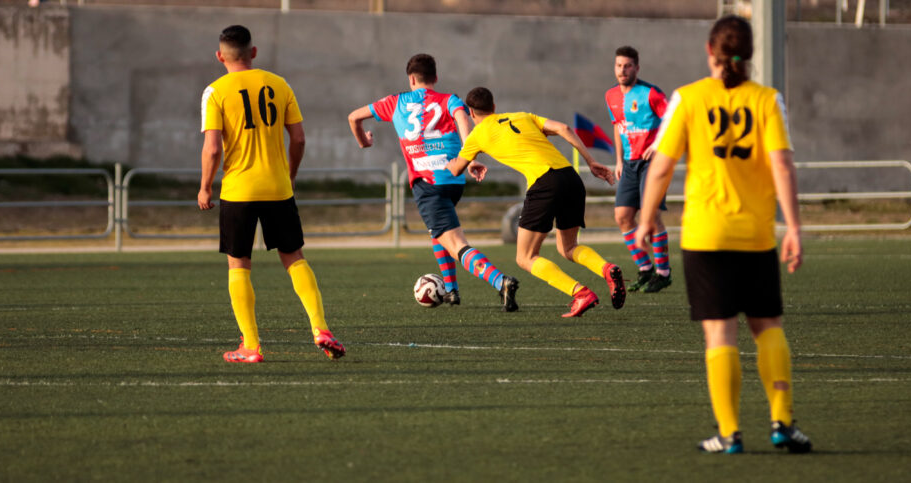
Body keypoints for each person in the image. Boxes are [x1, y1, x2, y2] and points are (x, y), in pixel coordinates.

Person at [635, 15, 812, 454]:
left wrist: (645, 218)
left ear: (709, 51)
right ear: (749, 54)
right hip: (754, 235)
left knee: (720, 335)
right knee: (767, 327)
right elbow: (782, 166)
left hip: (705, 235)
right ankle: (782, 423)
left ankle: (729, 433)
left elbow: (661, 164)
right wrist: (793, 225)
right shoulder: (769, 100)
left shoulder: (687, 98)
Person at [198, 24, 345, 363]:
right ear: (254, 52)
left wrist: (206, 186)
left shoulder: (215, 91)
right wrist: (289, 174)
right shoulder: (279, 85)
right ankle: (321, 328)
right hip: (278, 187)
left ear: (220, 56)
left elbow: (211, 148)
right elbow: (299, 139)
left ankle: (251, 346)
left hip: (238, 190)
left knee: (239, 265)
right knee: (294, 258)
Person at [347, 54, 520, 311]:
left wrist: (364, 141)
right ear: (435, 78)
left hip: (427, 184)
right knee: (437, 233)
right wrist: (469, 158)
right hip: (453, 179)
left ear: (411, 79)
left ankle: (500, 281)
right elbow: (463, 119)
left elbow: (354, 117)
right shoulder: (450, 100)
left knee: (456, 243)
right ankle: (451, 290)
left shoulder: (395, 102)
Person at [447, 87, 625, 318]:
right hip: (570, 177)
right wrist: (590, 161)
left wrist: (442, 163)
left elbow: (456, 169)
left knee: (525, 257)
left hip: (544, 183)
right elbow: (564, 128)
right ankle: (607, 268)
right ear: (494, 106)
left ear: (471, 113)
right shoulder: (522, 116)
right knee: (568, 247)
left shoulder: (477, 135)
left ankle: (580, 293)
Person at [605, 45, 672, 293]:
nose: (623, 70)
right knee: (622, 216)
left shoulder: (651, 93)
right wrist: (619, 161)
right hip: (630, 164)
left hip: (652, 162)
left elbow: (671, 121)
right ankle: (645, 269)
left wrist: (657, 145)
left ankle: (663, 272)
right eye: (619, 65)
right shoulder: (611, 96)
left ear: (637, 68)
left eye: (627, 66)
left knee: (651, 216)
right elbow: (617, 126)